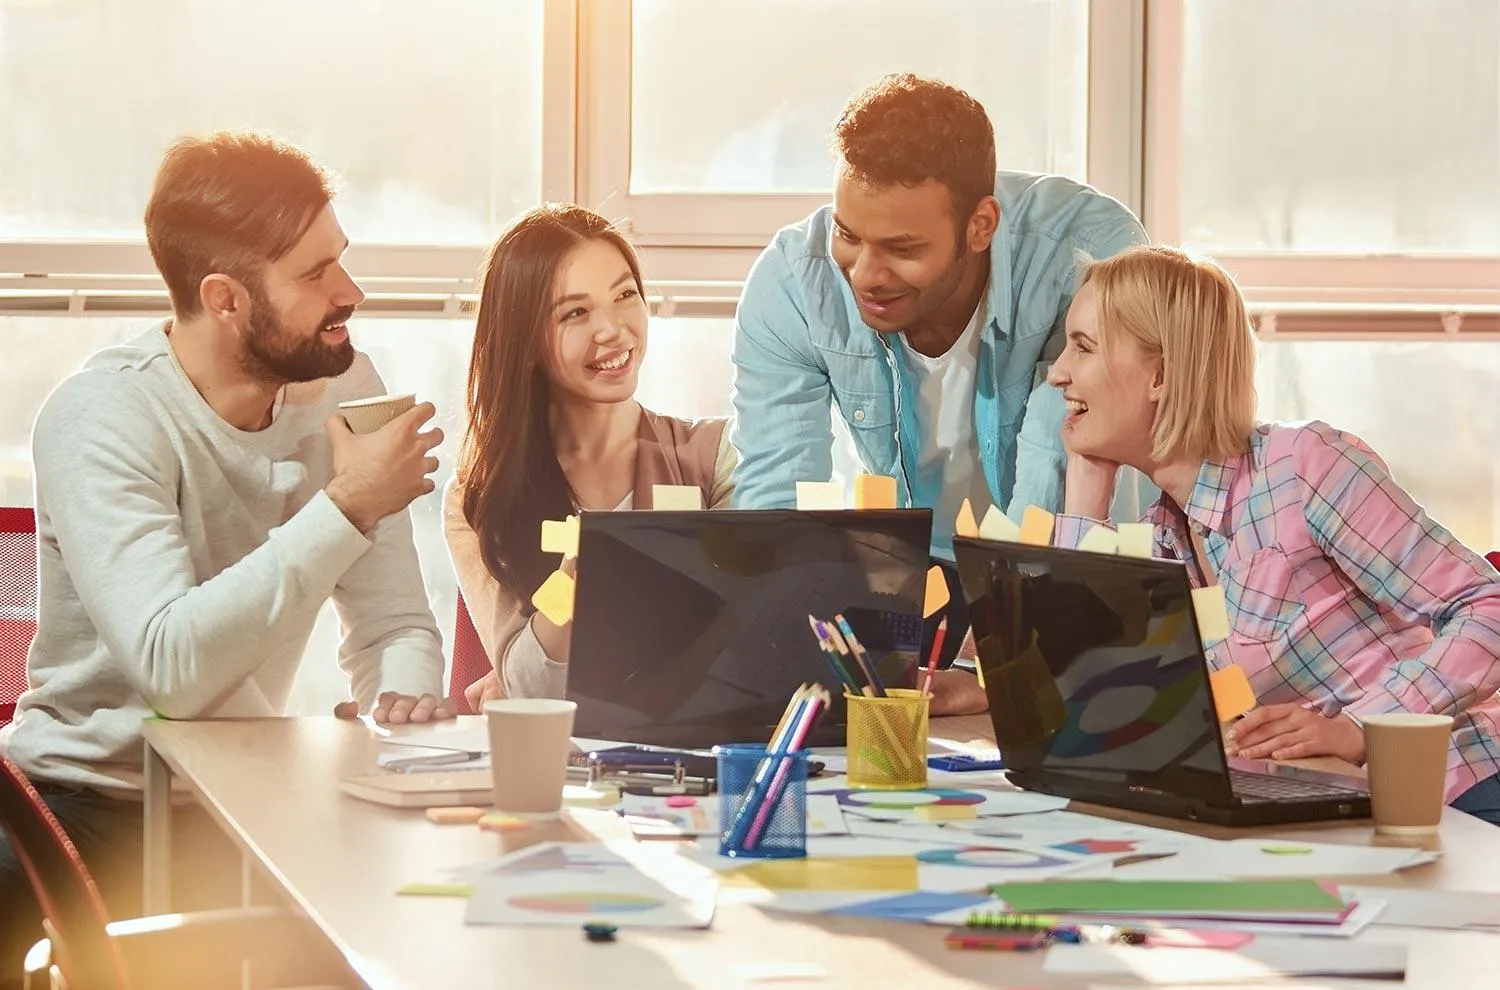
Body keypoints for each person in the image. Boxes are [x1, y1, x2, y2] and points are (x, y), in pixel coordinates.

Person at [0, 131, 453, 976]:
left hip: (244, 800)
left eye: (339, 261)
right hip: (83, 807)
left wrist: (402, 706)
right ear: (226, 299)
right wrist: (348, 502)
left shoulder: (345, 386)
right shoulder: (101, 418)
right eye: (315, 274)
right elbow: (173, 666)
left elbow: (394, 620)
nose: (348, 292)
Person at [729, 74, 1149, 712]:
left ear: (981, 225)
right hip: (922, 565)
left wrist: (1006, 661)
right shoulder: (794, 282)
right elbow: (775, 506)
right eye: (848, 235)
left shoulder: (1085, 258)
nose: (865, 274)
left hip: (1077, 553)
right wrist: (771, 661)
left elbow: (1057, 462)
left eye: (901, 249)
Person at [1046, 244, 1500, 825]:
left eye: (1082, 348)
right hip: (1331, 811)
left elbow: (1486, 608)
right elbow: (1082, 713)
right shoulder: (1167, 539)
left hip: (1459, 794)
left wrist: (1364, 727)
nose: (1059, 372)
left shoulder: (1303, 467)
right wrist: (1087, 488)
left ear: (1159, 374)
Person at [445, 205, 734, 710]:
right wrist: (575, 580)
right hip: (556, 769)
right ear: (525, 341)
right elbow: (527, 686)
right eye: (575, 313)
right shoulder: (481, 494)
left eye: (625, 295)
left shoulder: (714, 457)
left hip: (695, 761)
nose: (614, 330)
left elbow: (748, 645)